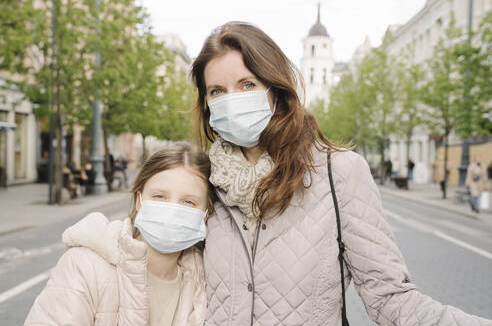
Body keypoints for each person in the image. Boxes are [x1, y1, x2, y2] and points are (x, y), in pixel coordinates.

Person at [191, 22, 492, 325]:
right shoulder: (200, 181)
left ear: (276, 89)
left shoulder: (338, 172)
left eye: (247, 84)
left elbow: (391, 300)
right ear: (206, 103)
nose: (231, 100)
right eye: (217, 91)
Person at [25, 142, 210, 326]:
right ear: (139, 201)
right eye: (159, 197)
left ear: (206, 214)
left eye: (189, 202)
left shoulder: (207, 282)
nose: (172, 210)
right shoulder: (85, 266)